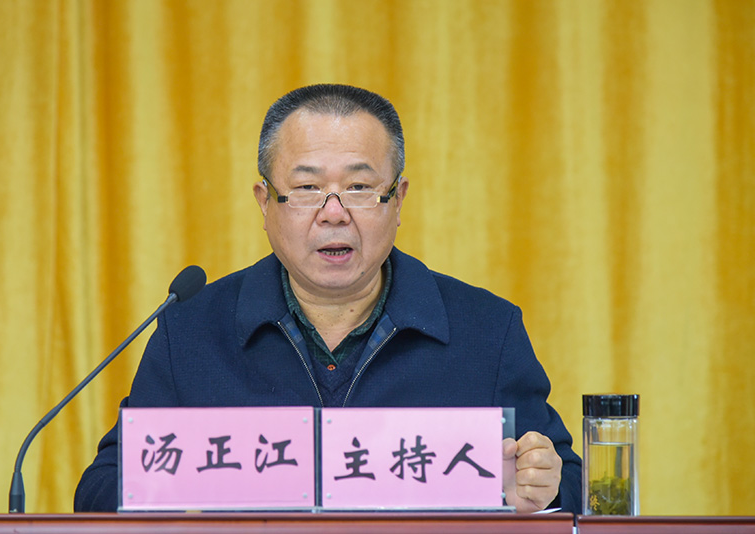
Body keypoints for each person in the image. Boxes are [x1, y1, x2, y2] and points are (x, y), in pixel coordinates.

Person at [74, 84, 581, 513]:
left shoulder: (486, 331)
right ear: (265, 203)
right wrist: (199, 486)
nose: (334, 212)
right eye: (307, 188)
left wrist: (546, 485)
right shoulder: (190, 333)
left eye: (359, 187)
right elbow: (100, 491)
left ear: (398, 200)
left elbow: (576, 491)